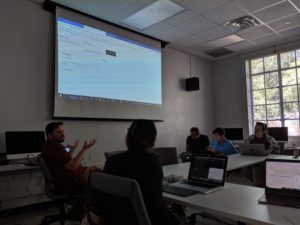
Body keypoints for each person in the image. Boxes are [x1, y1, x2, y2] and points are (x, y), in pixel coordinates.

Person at [103, 120, 171, 225]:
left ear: (127, 138)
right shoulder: (154, 161)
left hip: (117, 220)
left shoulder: (112, 161)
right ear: (152, 141)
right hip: (149, 220)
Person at [42, 122, 98, 194]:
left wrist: (72, 150)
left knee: (95, 169)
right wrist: (84, 149)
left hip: (68, 180)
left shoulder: (48, 146)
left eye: (63, 131)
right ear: (49, 134)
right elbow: (73, 166)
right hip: (73, 183)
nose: (63, 134)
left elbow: (65, 161)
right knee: (98, 171)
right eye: (58, 132)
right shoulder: (56, 147)